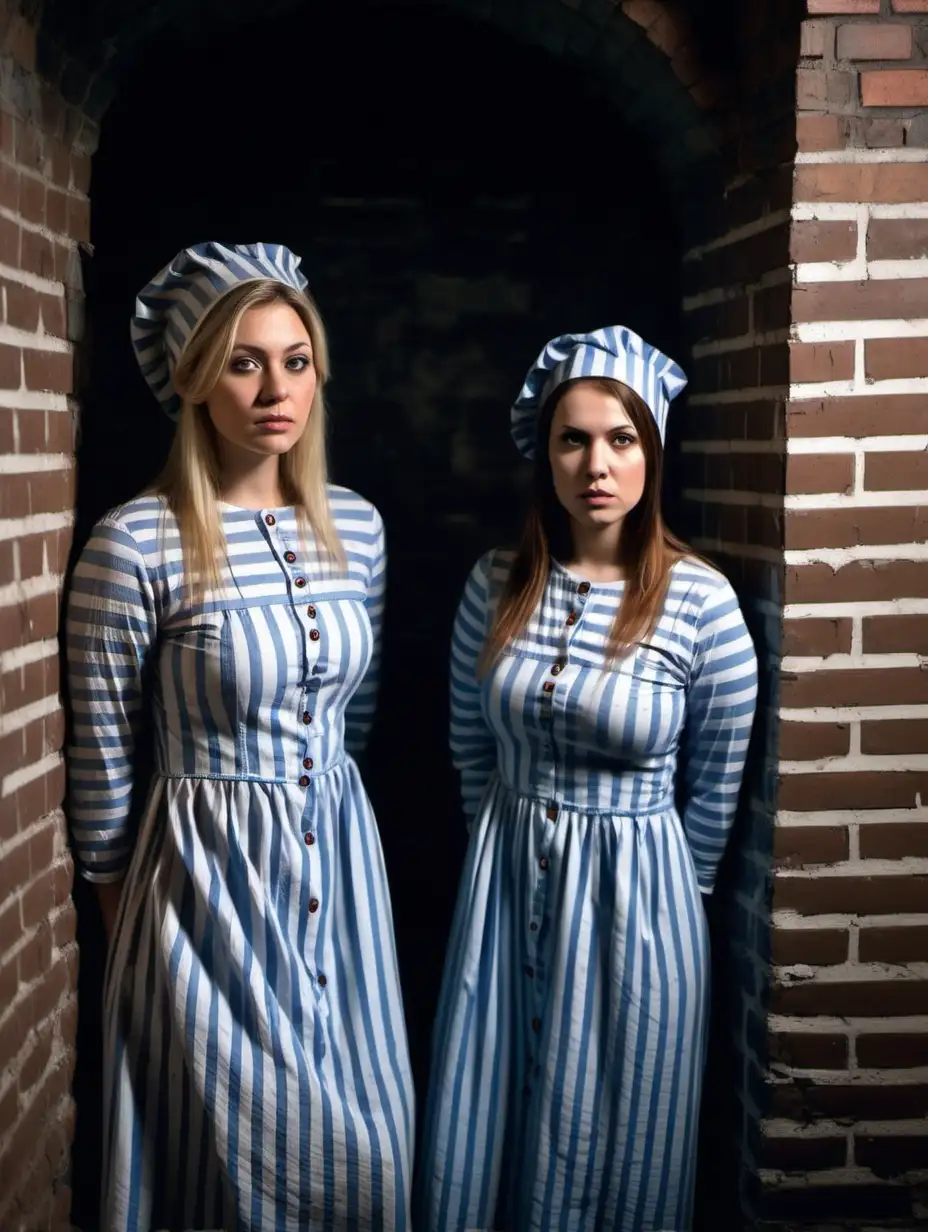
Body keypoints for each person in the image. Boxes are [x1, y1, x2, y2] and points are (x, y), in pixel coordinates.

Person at [65, 242, 414, 1231]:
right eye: (244, 360)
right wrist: (138, 932)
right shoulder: (136, 543)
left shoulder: (358, 526)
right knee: (234, 1177)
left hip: (340, 876)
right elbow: (100, 769)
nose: (275, 387)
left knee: (372, 1164)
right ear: (191, 380)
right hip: (201, 894)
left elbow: (359, 709)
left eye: (295, 360)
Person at [416, 326, 758, 1231]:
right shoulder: (496, 583)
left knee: (615, 1131)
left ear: (651, 451)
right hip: (504, 874)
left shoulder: (701, 602)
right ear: (545, 454)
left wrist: (664, 907)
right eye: (574, 439)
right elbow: (466, 741)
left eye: (621, 439)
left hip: (637, 902)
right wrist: (503, 840)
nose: (596, 465)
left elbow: (715, 788)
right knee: (496, 1105)